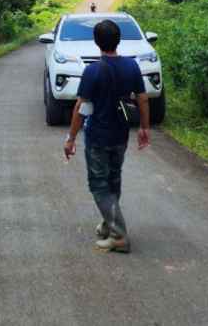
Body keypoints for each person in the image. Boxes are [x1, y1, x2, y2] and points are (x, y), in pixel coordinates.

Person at [63, 19, 150, 252]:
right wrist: (144, 127)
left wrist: (70, 138)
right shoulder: (132, 67)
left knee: (99, 185)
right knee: (113, 180)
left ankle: (119, 236)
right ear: (118, 40)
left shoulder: (92, 71)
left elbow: (81, 107)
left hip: (98, 138)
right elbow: (142, 98)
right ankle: (108, 223)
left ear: (96, 42)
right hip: (121, 135)